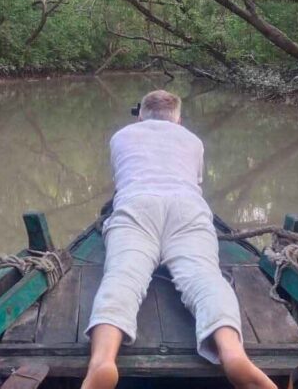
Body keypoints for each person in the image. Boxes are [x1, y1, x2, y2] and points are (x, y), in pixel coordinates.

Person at [81, 90, 275, 389]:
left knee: (123, 276)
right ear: (179, 120)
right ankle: (232, 353)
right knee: (205, 278)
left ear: (141, 115)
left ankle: (103, 360)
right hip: (187, 208)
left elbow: (122, 179)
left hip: (137, 204)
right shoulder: (193, 141)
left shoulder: (121, 136)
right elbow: (195, 181)